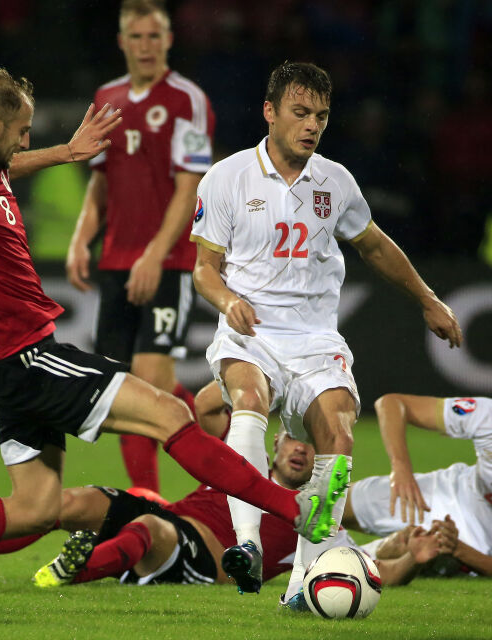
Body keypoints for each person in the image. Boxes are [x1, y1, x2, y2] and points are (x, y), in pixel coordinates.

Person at [0, 66, 331, 613]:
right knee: (168, 415)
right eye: (22, 131)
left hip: (8, 364)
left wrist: (65, 152)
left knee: (36, 506)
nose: (26, 141)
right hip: (28, 356)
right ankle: (295, 510)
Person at [190, 60, 463, 595]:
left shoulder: (335, 182)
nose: (311, 125)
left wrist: (428, 299)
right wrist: (227, 301)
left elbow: (375, 245)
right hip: (253, 331)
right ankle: (246, 543)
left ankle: (304, 579)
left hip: (315, 338)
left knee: (338, 436)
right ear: (270, 113)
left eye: (321, 115)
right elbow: (204, 268)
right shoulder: (226, 177)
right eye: (300, 113)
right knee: (246, 399)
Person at [0, 427, 450, 589]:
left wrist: (410, 554)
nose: (302, 449)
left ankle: (73, 572)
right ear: (277, 443)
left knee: (146, 528)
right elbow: (211, 408)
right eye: (295, 439)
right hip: (169, 514)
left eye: (312, 447)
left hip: (196, 554)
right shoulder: (238, 463)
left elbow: (364, 569)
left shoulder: (315, 517)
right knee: (63, 503)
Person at [66, 0, 215, 494]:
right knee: (122, 392)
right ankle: (154, 495)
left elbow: (189, 186)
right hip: (116, 263)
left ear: (169, 40)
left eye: (155, 36)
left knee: (148, 382)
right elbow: (100, 181)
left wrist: (154, 255)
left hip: (168, 263)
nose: (147, 46)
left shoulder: (187, 99)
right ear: (122, 42)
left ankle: (217, 467)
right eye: (138, 37)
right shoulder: (106, 98)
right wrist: (81, 237)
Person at [343, 392, 492, 577]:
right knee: (322, 504)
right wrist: (401, 469)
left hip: (479, 541)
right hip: (449, 491)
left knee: (406, 554)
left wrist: (460, 550)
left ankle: (373, 553)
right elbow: (391, 403)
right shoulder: (487, 415)